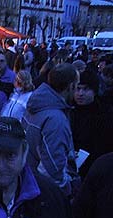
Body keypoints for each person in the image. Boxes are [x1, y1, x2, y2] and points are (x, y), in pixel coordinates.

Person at [22, 63, 80, 197]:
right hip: (44, 192)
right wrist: (68, 188)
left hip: (30, 179)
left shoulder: (36, 104)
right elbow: (53, 168)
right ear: (71, 86)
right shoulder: (55, 119)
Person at [71, 69, 113, 179]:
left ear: (94, 91)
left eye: (86, 89)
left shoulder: (105, 114)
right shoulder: (69, 110)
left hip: (95, 169)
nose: (80, 94)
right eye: (78, 89)